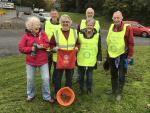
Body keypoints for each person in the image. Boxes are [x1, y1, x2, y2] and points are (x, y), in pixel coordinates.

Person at [18, 16, 54, 103]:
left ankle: (47, 96)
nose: (37, 26)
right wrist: (31, 49)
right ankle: (30, 95)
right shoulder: (26, 36)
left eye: (38, 24)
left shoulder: (43, 34)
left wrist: (41, 45)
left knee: (45, 78)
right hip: (30, 62)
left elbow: (47, 44)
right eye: (35, 25)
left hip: (43, 61)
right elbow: (21, 48)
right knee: (30, 79)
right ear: (30, 27)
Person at [105, 11, 134, 101]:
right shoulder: (111, 27)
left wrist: (130, 56)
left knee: (121, 75)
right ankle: (114, 90)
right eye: (115, 18)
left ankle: (119, 93)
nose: (116, 19)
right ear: (112, 18)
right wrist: (107, 55)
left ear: (122, 18)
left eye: (118, 17)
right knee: (113, 73)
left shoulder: (127, 28)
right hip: (112, 55)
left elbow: (131, 43)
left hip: (123, 55)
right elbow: (109, 42)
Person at [49, 14, 78, 98]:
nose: (65, 23)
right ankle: (56, 93)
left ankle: (68, 93)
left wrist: (77, 47)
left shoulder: (75, 32)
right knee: (57, 78)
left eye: (67, 22)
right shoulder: (56, 33)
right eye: (63, 22)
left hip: (70, 60)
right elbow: (51, 44)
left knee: (69, 79)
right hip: (58, 60)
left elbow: (78, 43)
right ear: (60, 23)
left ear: (70, 23)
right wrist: (54, 48)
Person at [77, 18, 102, 95]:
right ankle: (81, 89)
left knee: (89, 77)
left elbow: (99, 47)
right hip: (81, 58)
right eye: (88, 25)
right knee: (81, 76)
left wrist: (99, 58)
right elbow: (77, 45)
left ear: (93, 26)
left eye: (91, 25)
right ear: (86, 25)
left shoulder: (97, 35)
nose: (89, 26)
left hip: (91, 60)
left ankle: (89, 89)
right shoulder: (80, 33)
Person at [44, 9, 60, 83]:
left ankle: (54, 80)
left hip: (56, 49)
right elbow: (43, 35)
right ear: (50, 15)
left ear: (57, 15)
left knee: (56, 66)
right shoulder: (46, 23)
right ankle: (47, 80)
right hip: (47, 49)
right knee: (47, 67)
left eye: (55, 14)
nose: (54, 15)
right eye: (52, 14)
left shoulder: (61, 24)